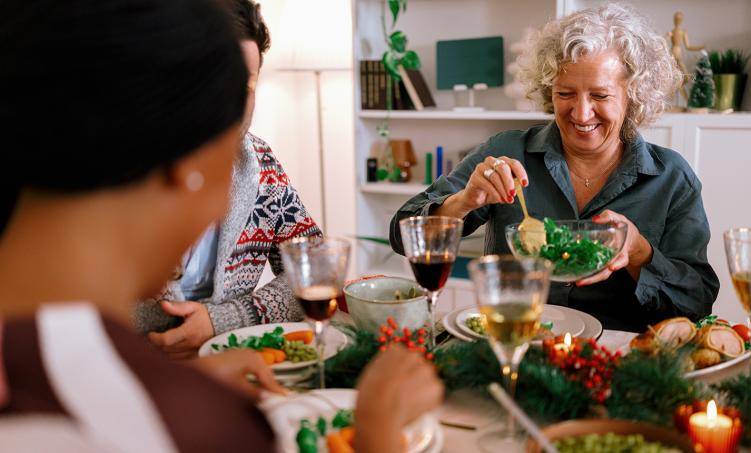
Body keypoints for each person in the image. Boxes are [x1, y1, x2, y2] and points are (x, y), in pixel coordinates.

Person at [0, 0, 443, 451]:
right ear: (185, 157)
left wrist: (208, 348)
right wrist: (376, 433)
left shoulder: (36, 344)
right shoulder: (193, 423)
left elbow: (312, 267)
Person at [389, 3, 719, 332]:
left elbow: (698, 300)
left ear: (633, 95)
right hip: (515, 343)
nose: (581, 113)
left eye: (600, 96)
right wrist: (463, 201)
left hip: (621, 361)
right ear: (549, 90)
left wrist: (637, 251)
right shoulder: (506, 151)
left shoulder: (672, 178)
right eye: (565, 93)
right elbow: (402, 235)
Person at [136, 0, 322, 359]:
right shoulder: (124, 169)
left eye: (247, 87)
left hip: (231, 368)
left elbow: (314, 270)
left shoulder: (262, 164)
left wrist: (223, 320)